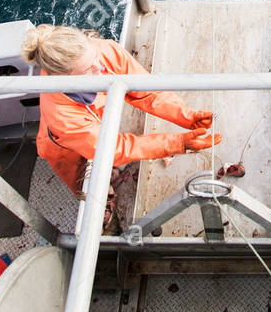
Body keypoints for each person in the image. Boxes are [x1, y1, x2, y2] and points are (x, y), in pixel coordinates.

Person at [21, 24, 221, 199]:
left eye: (95, 59)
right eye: (88, 70)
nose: (101, 69)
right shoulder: (61, 115)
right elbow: (114, 149)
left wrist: (186, 116)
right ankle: (102, 211)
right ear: (66, 79)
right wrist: (179, 143)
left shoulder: (105, 51)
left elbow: (145, 91)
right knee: (83, 183)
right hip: (64, 148)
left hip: (93, 120)